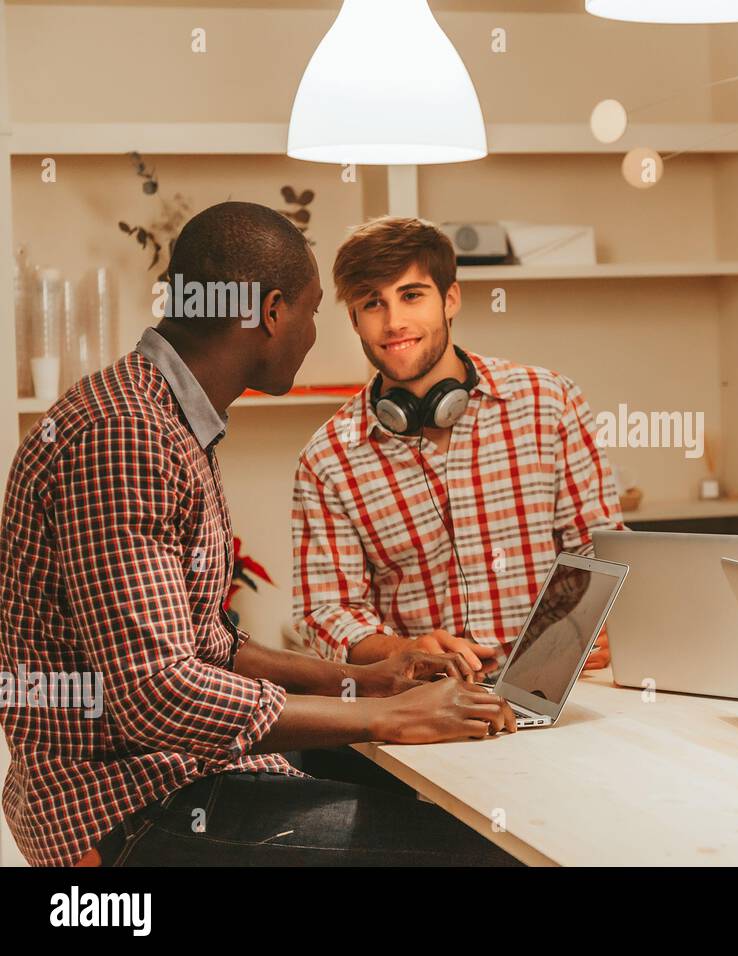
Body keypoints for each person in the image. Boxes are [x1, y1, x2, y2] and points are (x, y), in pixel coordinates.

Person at [0, 202, 518, 867]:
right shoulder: (124, 433)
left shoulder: (168, 418)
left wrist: (370, 683)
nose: (308, 333)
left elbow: (209, 648)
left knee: (436, 815)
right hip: (124, 813)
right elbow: (157, 692)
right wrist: (392, 717)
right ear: (271, 313)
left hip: (177, 784)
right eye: (309, 312)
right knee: (480, 850)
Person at [292, 217, 623, 678]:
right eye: (373, 303)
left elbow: (599, 550)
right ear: (354, 320)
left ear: (450, 299)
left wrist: (596, 625)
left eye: (411, 295)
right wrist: (403, 648)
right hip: (425, 707)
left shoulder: (550, 402)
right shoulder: (326, 459)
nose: (394, 322)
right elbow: (327, 612)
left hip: (561, 687)